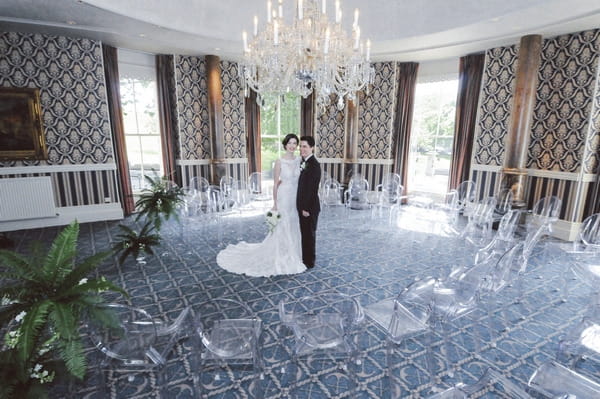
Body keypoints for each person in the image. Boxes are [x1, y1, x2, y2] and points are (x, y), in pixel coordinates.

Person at [216, 134, 307, 277]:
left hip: (296, 196)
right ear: (285, 144)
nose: (292, 145)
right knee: (283, 224)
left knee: (294, 222)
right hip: (284, 196)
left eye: (295, 143)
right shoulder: (279, 161)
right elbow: (276, 183)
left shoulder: (299, 160)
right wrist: (275, 203)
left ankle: (294, 252)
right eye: (290, 143)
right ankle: (281, 254)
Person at [296, 136, 321, 268]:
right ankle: (304, 258)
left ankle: (309, 262)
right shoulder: (304, 161)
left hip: (309, 207)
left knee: (309, 235)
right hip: (303, 206)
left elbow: (312, 189)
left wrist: (305, 208)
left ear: (312, 147)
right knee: (304, 233)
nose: (302, 149)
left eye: (305, 146)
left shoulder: (314, 165)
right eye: (301, 146)